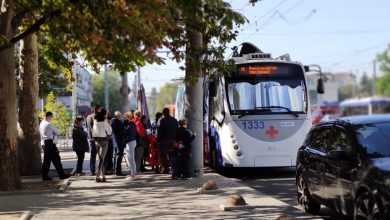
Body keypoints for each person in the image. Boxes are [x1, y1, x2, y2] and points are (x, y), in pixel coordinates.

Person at [39, 111, 70, 181]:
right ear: (48, 116)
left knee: (47, 161)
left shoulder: (41, 123)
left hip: (44, 143)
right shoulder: (48, 124)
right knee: (56, 159)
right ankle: (62, 175)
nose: (52, 119)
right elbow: (58, 131)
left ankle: (45, 176)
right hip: (50, 144)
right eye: (51, 117)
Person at [92, 109, 112, 182]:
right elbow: (109, 131)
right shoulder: (104, 121)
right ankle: (97, 176)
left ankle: (103, 176)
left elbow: (93, 131)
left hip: (97, 141)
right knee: (102, 159)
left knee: (101, 158)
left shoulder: (95, 121)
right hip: (104, 141)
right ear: (104, 114)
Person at [157, 107, 178, 174]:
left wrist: (158, 139)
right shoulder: (174, 120)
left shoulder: (161, 120)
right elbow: (177, 130)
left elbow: (159, 131)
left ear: (163, 113)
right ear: (169, 112)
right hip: (173, 140)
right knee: (172, 155)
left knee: (164, 155)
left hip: (164, 141)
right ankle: (174, 168)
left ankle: (166, 169)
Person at [87, 104, 101, 176]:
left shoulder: (88, 116)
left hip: (90, 138)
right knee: (101, 155)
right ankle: (101, 170)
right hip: (98, 138)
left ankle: (92, 170)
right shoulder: (97, 116)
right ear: (98, 109)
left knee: (93, 156)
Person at [123, 112, 138, 180]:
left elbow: (130, 134)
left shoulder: (131, 124)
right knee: (131, 158)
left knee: (131, 158)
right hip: (131, 141)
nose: (124, 118)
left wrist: (124, 140)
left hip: (130, 142)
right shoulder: (131, 124)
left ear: (127, 117)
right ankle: (133, 173)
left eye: (125, 117)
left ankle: (133, 174)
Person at [111, 111, 126, 176]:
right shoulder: (119, 123)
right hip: (119, 141)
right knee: (119, 157)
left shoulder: (112, 122)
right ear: (119, 116)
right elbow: (123, 132)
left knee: (116, 156)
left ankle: (116, 170)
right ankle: (118, 171)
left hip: (114, 141)